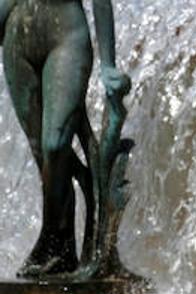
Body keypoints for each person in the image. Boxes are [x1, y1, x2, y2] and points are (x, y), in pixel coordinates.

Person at [1, 0, 130, 277]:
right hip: (15, 39)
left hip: (66, 35)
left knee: (55, 144)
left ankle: (53, 238)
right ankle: (60, 245)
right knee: (41, 152)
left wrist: (108, 64)